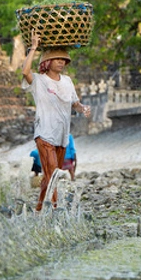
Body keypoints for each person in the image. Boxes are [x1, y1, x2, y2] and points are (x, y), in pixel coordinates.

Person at [22, 30, 91, 211]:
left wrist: (82, 108)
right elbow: (25, 71)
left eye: (64, 60)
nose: (62, 62)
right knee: (52, 173)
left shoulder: (67, 81)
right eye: (58, 59)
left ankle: (38, 211)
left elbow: (74, 102)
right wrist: (34, 47)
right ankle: (55, 211)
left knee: (51, 176)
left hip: (62, 136)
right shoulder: (39, 81)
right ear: (47, 62)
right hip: (44, 133)